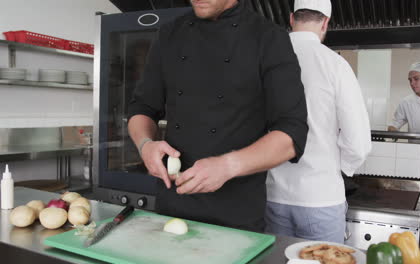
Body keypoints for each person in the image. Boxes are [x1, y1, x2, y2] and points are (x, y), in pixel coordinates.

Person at [127, 0, 308, 232]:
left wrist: (227, 166)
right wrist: (145, 145)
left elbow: (292, 134)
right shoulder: (170, 34)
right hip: (171, 210)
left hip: (236, 217)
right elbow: (141, 108)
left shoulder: (269, 38)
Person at [265, 0, 372, 243]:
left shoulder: (266, 61)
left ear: (291, 19)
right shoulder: (335, 64)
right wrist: (336, 170)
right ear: (325, 23)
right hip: (321, 199)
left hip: (273, 196)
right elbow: (358, 142)